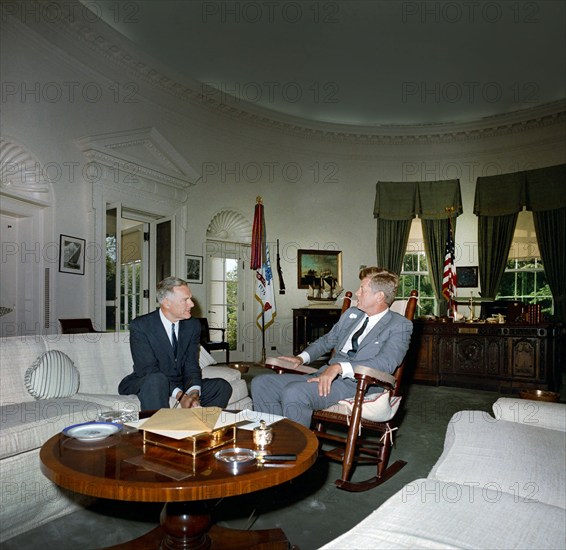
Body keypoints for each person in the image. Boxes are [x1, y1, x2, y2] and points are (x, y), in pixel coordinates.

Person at [252, 267, 413, 427]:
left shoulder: (400, 325)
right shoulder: (352, 315)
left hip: (359, 384)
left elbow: (387, 362)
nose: (357, 293)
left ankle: (295, 451)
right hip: (325, 374)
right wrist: (301, 358)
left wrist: (340, 367)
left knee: (295, 392)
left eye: (362, 289)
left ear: (379, 297)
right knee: (262, 383)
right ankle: (271, 440)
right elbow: (327, 340)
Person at [118, 276, 232, 410]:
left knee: (221, 386)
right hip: (148, 380)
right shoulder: (141, 326)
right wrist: (181, 396)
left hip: (179, 382)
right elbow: (148, 369)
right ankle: (157, 430)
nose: (192, 304)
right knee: (156, 380)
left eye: (190, 298)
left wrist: (194, 393)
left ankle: (199, 427)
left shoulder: (193, 325)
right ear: (167, 303)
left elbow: (191, 364)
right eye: (185, 300)